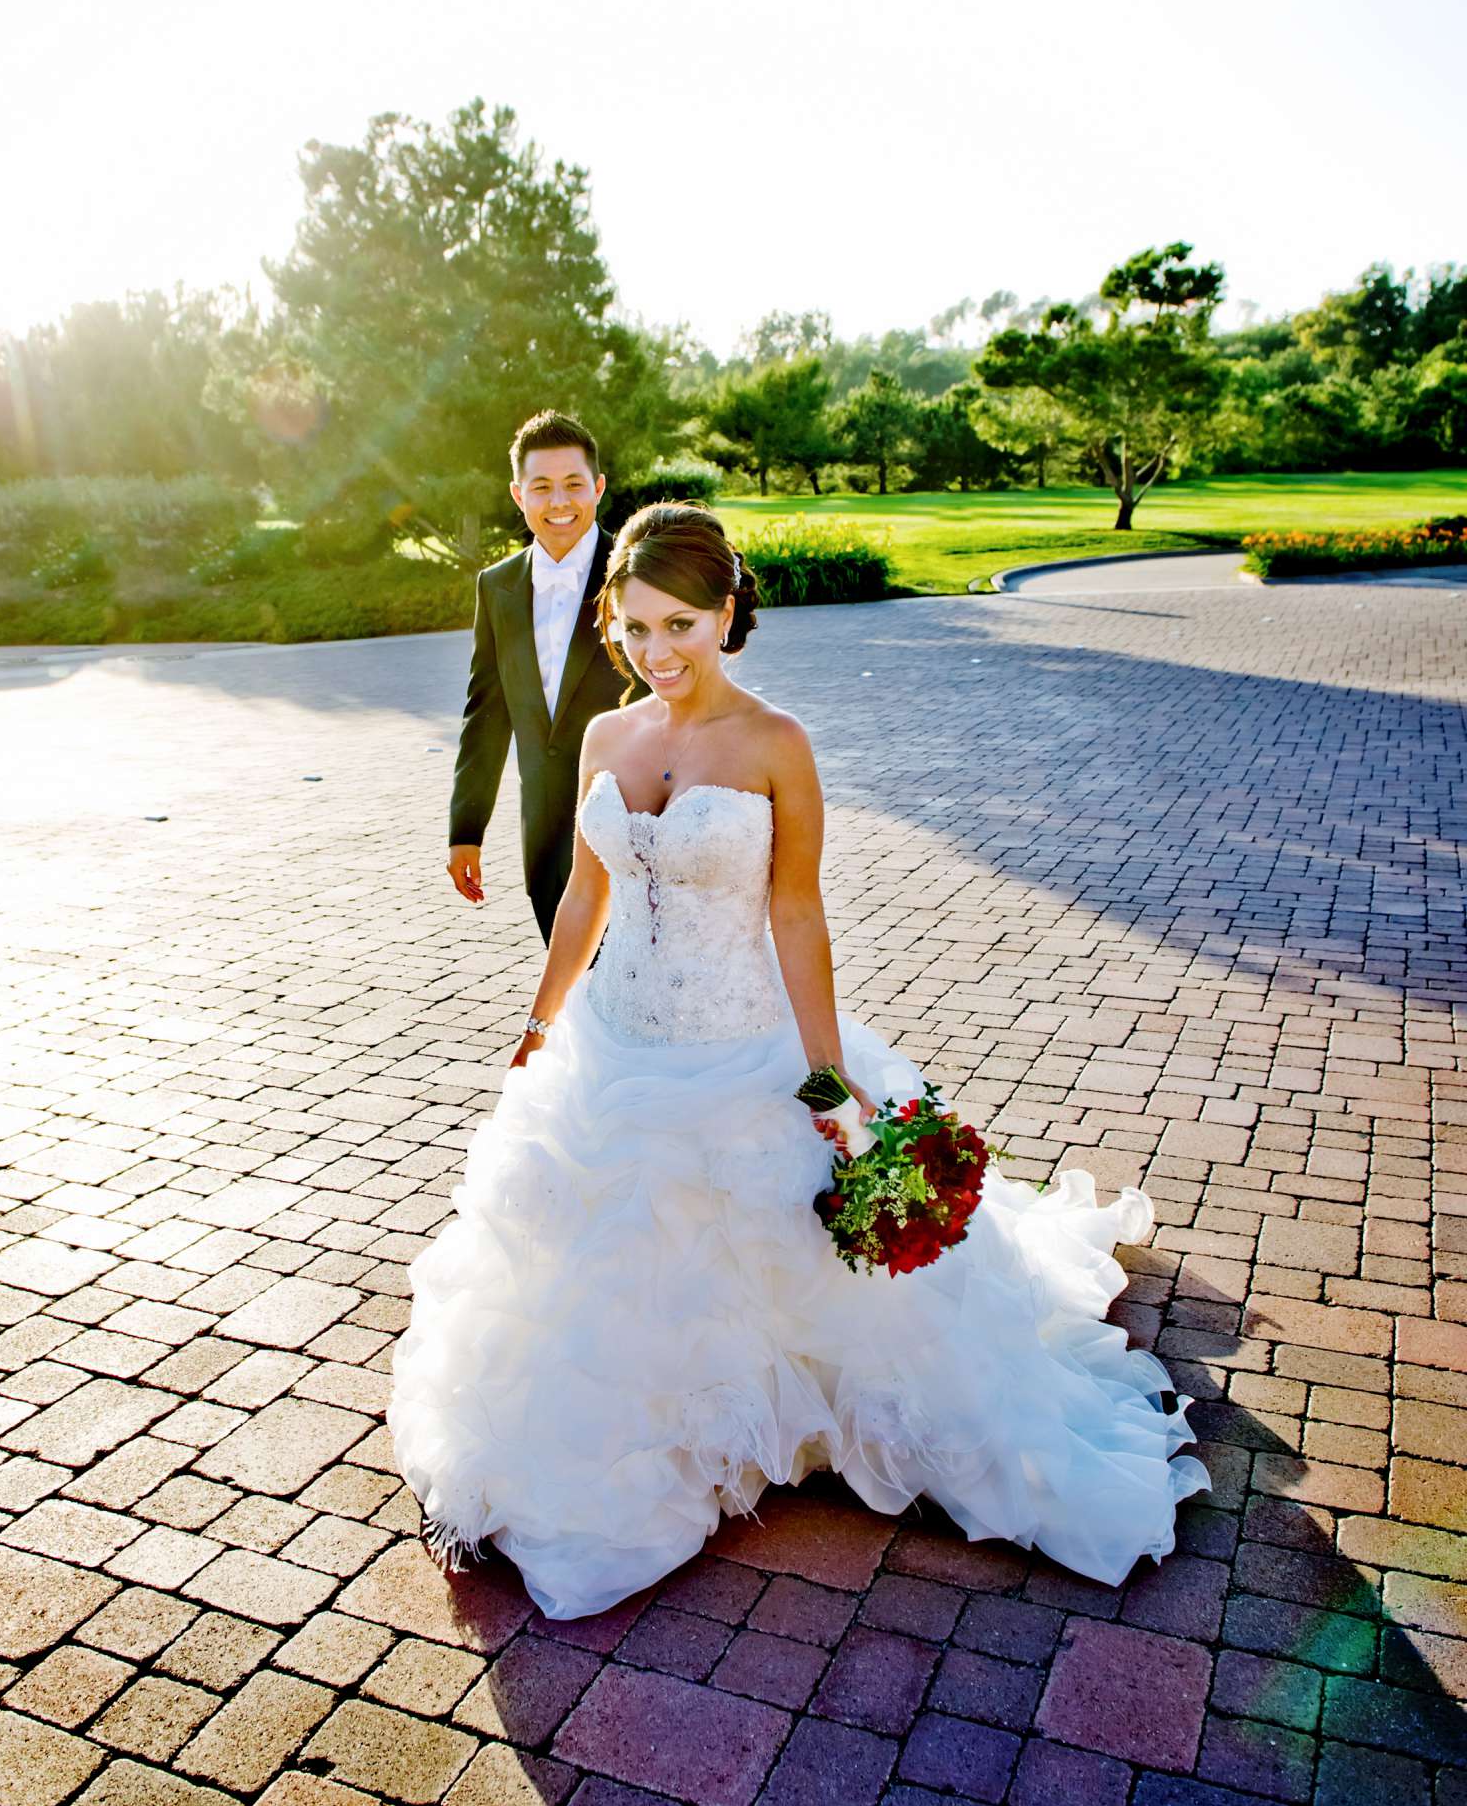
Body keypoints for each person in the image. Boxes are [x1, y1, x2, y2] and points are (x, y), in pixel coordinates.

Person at [392, 503, 1209, 1621]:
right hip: (612, 1048)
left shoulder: (777, 744)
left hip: (742, 1046)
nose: (658, 651)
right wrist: (542, 1020)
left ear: (727, 614)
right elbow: (587, 892)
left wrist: (825, 1074)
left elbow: (796, 914)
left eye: (680, 623)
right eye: (634, 627)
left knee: (781, 1260)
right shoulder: (605, 738)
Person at [446, 410, 634, 943]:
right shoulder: (497, 587)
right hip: (547, 832)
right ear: (518, 494)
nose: (559, 503)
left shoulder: (636, 573)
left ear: (598, 487)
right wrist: (466, 829)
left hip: (635, 820)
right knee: (572, 988)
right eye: (542, 487)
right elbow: (485, 712)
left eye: (574, 485)